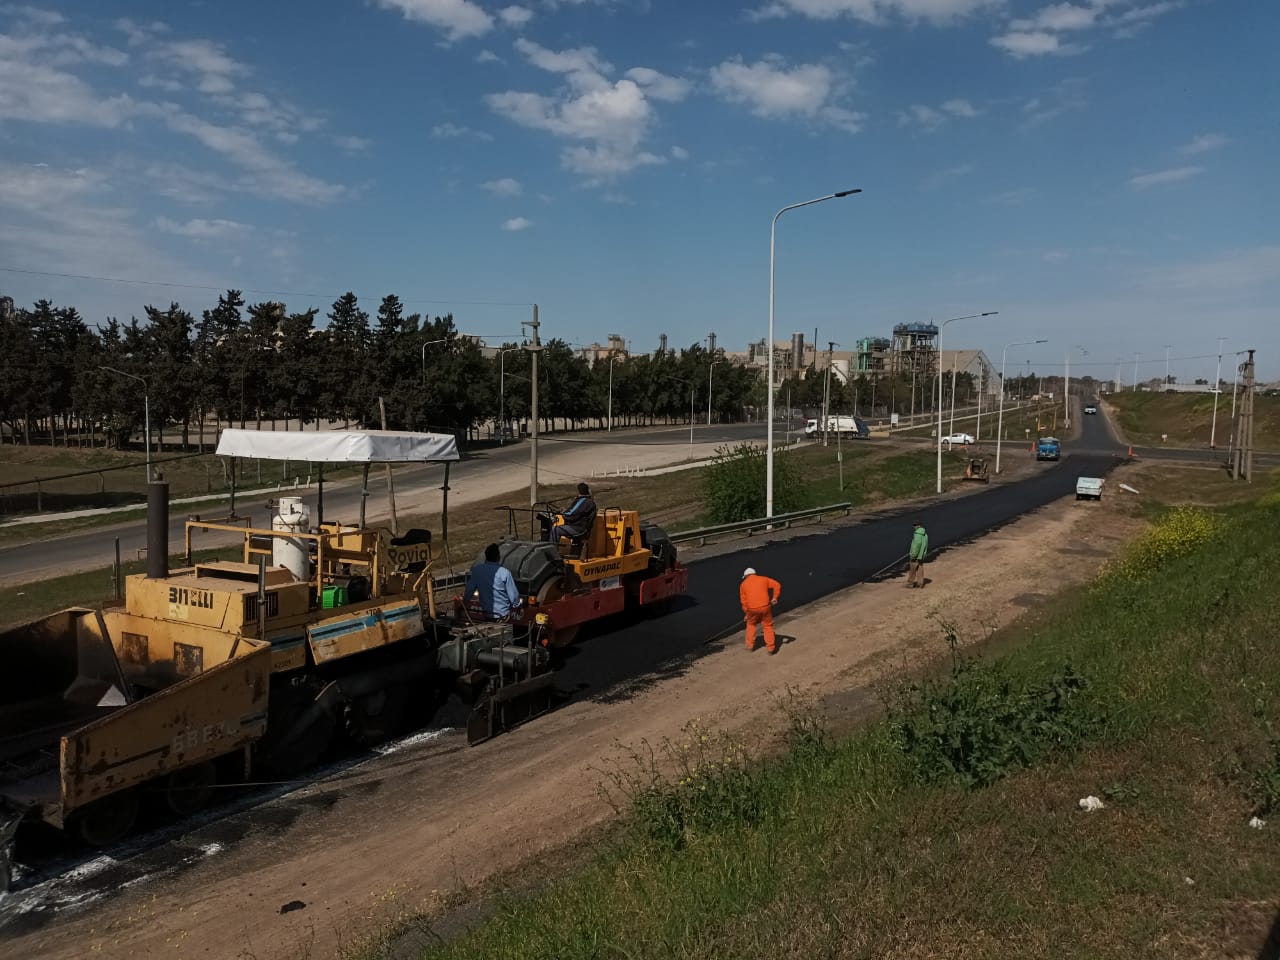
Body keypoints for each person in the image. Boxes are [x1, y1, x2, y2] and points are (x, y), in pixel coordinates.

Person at [464, 543, 522, 620]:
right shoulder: (504, 573)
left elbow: (469, 591)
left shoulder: (477, 571)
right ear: (498, 557)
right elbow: (514, 596)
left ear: (486, 556)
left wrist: (464, 603)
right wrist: (517, 606)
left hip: (486, 614)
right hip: (502, 615)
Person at [740, 566, 782, 655]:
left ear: (746, 576)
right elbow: (777, 585)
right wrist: (774, 597)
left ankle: (750, 646)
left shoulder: (743, 584)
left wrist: (747, 613)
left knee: (751, 625)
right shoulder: (764, 579)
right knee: (767, 626)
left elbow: (744, 602)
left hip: (752, 609)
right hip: (765, 607)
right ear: (754, 573)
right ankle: (771, 649)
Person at [907, 521, 929, 588]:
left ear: (919, 526)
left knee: (912, 569)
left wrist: (913, 555)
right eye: (913, 525)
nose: (914, 526)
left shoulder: (917, 534)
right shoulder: (925, 534)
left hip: (916, 555)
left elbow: (916, 546)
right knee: (920, 568)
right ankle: (920, 583)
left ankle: (911, 583)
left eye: (915, 525)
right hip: (921, 555)